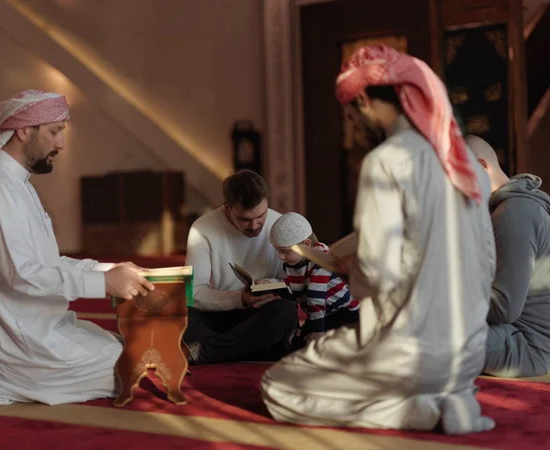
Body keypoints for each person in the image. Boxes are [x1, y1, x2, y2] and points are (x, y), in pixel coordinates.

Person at [261, 44, 496, 434]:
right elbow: (488, 262)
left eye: (353, 114)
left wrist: (346, 266)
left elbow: (378, 275)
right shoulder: (468, 164)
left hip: (409, 354)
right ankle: (452, 399)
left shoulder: (386, 161)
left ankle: (419, 412)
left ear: (366, 101)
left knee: (279, 386)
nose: (355, 124)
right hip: (469, 354)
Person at [0, 90, 154, 407]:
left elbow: (47, 262)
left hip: (28, 326)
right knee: (131, 361)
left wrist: (108, 271)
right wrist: (104, 283)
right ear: (23, 131)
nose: (61, 144)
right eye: (55, 131)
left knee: (121, 345)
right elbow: (22, 276)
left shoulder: (15, 184)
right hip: (9, 342)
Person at [183, 170, 298, 365]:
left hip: (261, 315)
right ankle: (258, 349)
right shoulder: (201, 229)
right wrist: (240, 298)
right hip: (219, 314)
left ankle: (205, 352)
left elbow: (295, 282)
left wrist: (269, 284)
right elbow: (192, 293)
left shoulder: (279, 224)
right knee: (179, 317)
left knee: (285, 312)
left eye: (261, 216)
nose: (254, 226)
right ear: (227, 208)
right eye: (245, 219)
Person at [467, 135, 550, 378]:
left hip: (530, 347)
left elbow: (504, 308)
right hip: (511, 335)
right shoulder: (506, 209)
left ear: (482, 167)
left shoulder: (515, 212)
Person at [269, 212, 359, 350]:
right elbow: (292, 291)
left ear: (306, 244)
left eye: (285, 251)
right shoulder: (290, 262)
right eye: (277, 250)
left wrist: (317, 331)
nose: (280, 256)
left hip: (345, 312)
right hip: (321, 314)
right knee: (295, 346)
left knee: (323, 347)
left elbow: (315, 297)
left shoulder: (321, 259)